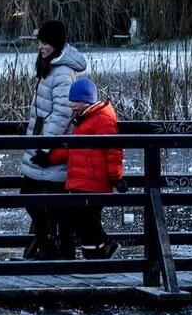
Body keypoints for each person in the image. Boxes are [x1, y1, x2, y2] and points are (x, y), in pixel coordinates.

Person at [30, 77, 123, 260]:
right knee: (82, 221)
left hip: (94, 183)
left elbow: (113, 150)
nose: (72, 106)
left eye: (76, 102)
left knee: (87, 222)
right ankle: (99, 255)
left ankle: (96, 261)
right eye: (71, 102)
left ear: (87, 101)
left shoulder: (102, 119)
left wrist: (116, 177)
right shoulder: (82, 120)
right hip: (82, 182)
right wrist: (49, 158)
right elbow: (72, 149)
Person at [20, 20, 88, 260]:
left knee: (38, 197)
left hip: (50, 146)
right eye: (40, 42)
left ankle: (52, 249)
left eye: (45, 42)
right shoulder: (50, 66)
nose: (41, 47)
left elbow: (62, 112)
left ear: (56, 44)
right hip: (41, 142)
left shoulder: (61, 72)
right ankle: (54, 249)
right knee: (47, 201)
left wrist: (45, 148)